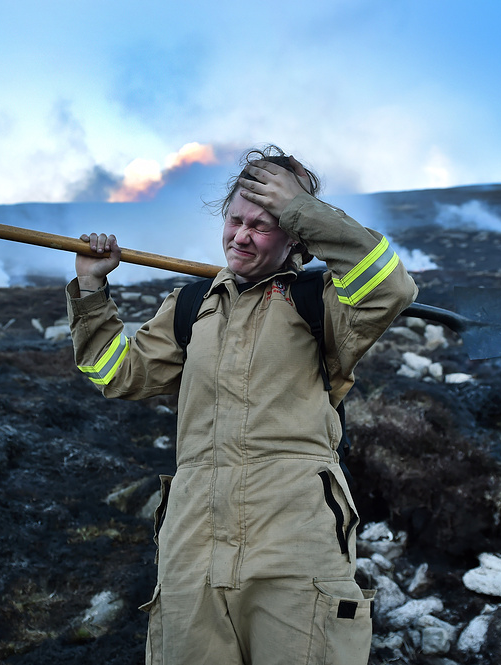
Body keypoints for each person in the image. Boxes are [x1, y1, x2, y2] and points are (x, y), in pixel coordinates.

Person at [66, 145, 418, 665]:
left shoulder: (326, 301)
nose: (242, 236)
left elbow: (390, 285)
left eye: (265, 223)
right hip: (192, 540)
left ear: (296, 233)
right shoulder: (190, 307)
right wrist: (92, 289)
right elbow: (116, 373)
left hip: (294, 537)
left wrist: (299, 206)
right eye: (235, 220)